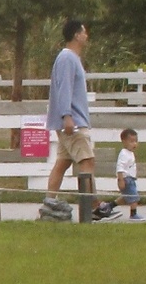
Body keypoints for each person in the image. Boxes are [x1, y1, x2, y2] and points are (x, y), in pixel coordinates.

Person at [41, 19, 113, 222]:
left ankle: (49, 204)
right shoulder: (67, 58)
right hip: (73, 122)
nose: (86, 36)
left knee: (62, 163)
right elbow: (64, 88)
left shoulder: (72, 58)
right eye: (84, 32)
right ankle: (93, 207)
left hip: (71, 120)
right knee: (87, 162)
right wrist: (67, 116)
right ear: (76, 35)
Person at [116, 128, 142, 219]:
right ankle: (133, 214)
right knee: (134, 197)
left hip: (131, 179)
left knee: (126, 197)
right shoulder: (124, 153)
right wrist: (121, 180)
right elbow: (120, 167)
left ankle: (109, 207)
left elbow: (130, 166)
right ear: (124, 141)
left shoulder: (130, 153)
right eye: (131, 141)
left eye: (136, 141)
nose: (134, 144)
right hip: (126, 179)